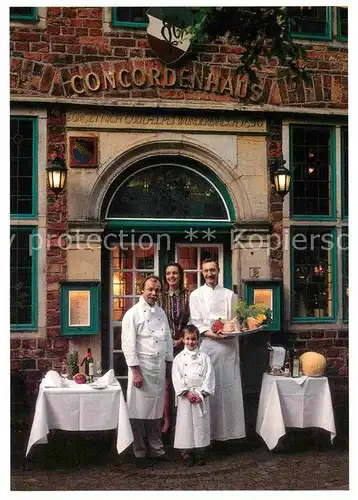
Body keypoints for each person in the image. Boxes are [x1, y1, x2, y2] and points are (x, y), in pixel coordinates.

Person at [189, 259, 246, 444]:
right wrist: (214, 334)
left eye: (213, 270)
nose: (209, 274)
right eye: (206, 271)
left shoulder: (230, 295)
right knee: (210, 388)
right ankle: (210, 436)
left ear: (218, 271)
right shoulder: (196, 295)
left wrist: (230, 329)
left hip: (229, 348)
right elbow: (197, 322)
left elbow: (237, 320)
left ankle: (231, 436)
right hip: (208, 346)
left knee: (229, 390)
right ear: (202, 273)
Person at [121, 275, 173, 468]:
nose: (153, 293)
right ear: (142, 290)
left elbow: (167, 340)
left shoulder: (161, 313)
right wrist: (135, 372)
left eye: (157, 290)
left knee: (155, 413)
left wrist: (168, 367)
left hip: (158, 369)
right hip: (141, 369)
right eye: (150, 289)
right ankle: (139, 452)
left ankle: (157, 449)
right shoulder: (132, 314)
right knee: (138, 413)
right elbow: (128, 345)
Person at [172, 325, 215, 466]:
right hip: (186, 397)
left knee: (200, 425)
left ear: (198, 340)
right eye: (188, 339)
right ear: (183, 340)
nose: (191, 342)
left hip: (200, 396)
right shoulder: (178, 359)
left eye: (194, 339)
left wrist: (202, 392)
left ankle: (200, 453)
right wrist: (187, 393)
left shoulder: (205, 358)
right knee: (185, 426)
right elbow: (176, 377)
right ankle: (186, 454)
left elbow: (209, 375)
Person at [158, 262, 190, 434]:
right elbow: (157, 321)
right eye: (169, 273)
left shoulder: (188, 295)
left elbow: (192, 320)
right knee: (167, 385)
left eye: (175, 273)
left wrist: (183, 340)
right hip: (165, 345)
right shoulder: (161, 296)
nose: (172, 276)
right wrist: (168, 340)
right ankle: (167, 422)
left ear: (180, 275)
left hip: (184, 344)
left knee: (183, 382)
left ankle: (182, 421)